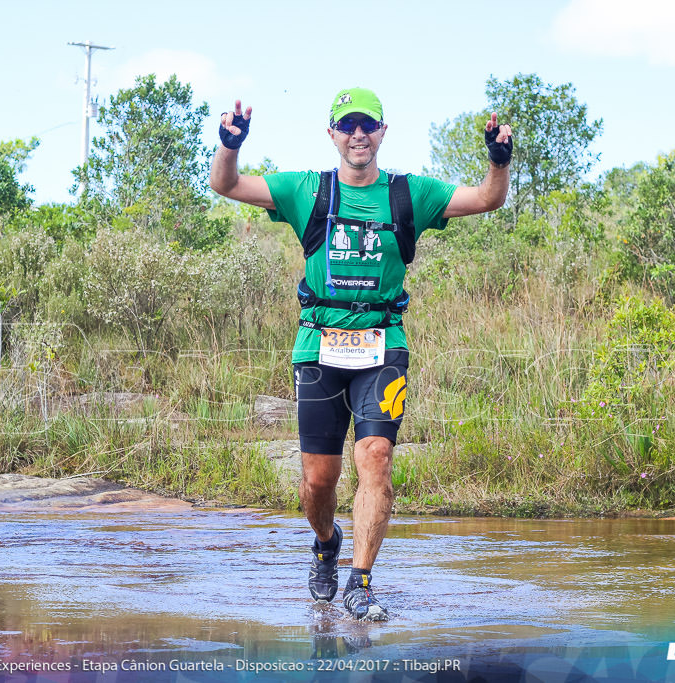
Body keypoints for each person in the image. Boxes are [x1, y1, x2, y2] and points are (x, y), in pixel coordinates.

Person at [209, 87, 512, 621]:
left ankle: (361, 581)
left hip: (383, 344)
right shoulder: (306, 189)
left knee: (375, 458)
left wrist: (498, 160)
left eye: (367, 126)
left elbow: (488, 199)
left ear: (382, 133)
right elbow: (225, 184)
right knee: (317, 481)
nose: (358, 135)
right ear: (332, 134)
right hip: (318, 347)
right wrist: (231, 144)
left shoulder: (409, 194)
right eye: (347, 126)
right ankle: (327, 543)